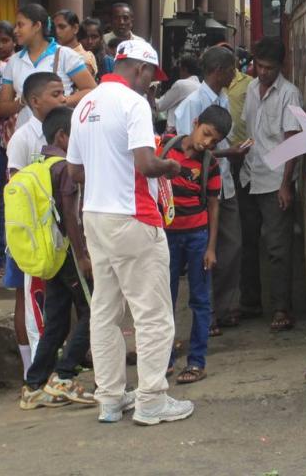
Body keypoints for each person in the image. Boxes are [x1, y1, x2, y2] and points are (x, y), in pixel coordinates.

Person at [67, 38, 194, 425]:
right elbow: (145, 164)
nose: (151, 86)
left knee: (105, 311)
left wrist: (106, 174)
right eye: (152, 78)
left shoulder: (84, 103)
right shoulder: (133, 103)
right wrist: (171, 167)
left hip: (96, 217)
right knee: (153, 314)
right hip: (133, 216)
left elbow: (74, 173)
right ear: (140, 70)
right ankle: (152, 399)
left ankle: (109, 398)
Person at [20, 106, 95, 410]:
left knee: (57, 321)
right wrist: (83, 256)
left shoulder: (38, 163)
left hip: (49, 253)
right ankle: (62, 378)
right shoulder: (63, 167)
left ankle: (34, 385)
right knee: (96, 312)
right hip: (68, 253)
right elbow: (71, 214)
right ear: (63, 136)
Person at [175, 46, 247, 335]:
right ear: (220, 71)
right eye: (232, 70)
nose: (236, 74)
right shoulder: (193, 104)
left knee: (231, 247)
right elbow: (189, 152)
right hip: (198, 189)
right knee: (203, 253)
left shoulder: (222, 99)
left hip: (223, 184)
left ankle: (224, 307)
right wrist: (229, 152)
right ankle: (208, 315)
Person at [161, 106, 231, 384]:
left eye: (214, 141)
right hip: (166, 236)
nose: (206, 143)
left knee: (200, 300)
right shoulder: (166, 150)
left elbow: (214, 206)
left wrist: (211, 247)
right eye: (206, 134)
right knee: (164, 299)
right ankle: (163, 360)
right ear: (195, 123)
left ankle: (196, 362)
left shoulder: (209, 164)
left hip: (197, 237)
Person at [238, 37, 302, 331]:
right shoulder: (251, 88)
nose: (262, 72)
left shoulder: (290, 94)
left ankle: (281, 308)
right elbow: (250, 130)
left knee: (277, 248)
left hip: (276, 179)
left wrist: (285, 185)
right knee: (248, 244)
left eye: (269, 68)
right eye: (259, 66)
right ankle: (251, 303)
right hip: (249, 175)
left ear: (280, 66)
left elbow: (293, 142)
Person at [6, 72, 67, 366]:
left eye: (63, 92)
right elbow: (15, 187)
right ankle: (32, 366)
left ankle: (61, 359)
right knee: (29, 298)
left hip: (57, 232)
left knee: (57, 298)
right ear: (34, 101)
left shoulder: (63, 130)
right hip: (31, 234)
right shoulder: (24, 138)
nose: (63, 98)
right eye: (55, 94)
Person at [0, 3, 96, 128]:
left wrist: (61, 100)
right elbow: (2, 107)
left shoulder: (65, 55)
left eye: (20, 25)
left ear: (37, 26)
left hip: (58, 135)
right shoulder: (14, 61)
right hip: (25, 136)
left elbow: (92, 90)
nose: (15, 31)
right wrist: (22, 102)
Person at [0, 20, 16, 267]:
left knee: (7, 199)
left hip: (9, 142)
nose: (1, 46)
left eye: (5, 40)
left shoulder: (13, 68)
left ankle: (6, 256)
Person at [154, 54, 201, 132]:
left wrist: (150, 93)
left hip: (176, 132)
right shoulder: (200, 87)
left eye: (179, 69)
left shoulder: (181, 84)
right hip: (192, 131)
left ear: (184, 69)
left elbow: (160, 105)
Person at [53, 10, 98, 78]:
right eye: (54, 27)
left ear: (75, 28)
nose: (57, 31)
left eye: (62, 27)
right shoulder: (52, 53)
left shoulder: (84, 57)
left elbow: (84, 87)